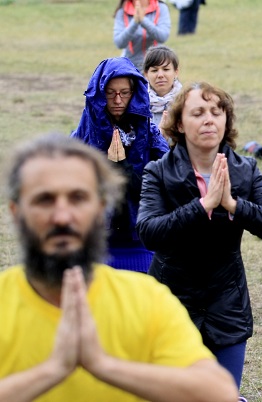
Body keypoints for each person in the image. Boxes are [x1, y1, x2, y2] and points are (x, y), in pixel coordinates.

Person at [0, 134, 239, 402]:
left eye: (78, 198)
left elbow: (219, 393)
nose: (62, 216)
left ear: (101, 208)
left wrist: (104, 365)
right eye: (44, 200)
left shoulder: (146, 298)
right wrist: (53, 370)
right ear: (16, 213)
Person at [136, 82, 262, 389]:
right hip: (171, 306)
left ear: (226, 120)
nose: (209, 119)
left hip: (227, 305)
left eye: (216, 112)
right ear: (180, 123)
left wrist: (233, 204)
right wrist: (203, 205)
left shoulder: (245, 169)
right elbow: (149, 233)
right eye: (198, 113)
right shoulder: (159, 171)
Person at [71, 57, 169, 273]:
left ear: (134, 94)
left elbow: (165, 187)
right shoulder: (84, 135)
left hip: (141, 243)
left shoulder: (148, 133)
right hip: (95, 244)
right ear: (99, 94)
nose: (117, 100)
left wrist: (124, 168)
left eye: (124, 93)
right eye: (110, 93)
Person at [113, 0, 171, 71]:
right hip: (131, 66)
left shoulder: (161, 7)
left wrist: (143, 20)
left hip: (155, 65)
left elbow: (163, 37)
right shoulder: (122, 11)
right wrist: (135, 22)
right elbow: (119, 43)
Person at [143, 44, 182, 130]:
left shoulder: (185, 101)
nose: (160, 75)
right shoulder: (138, 104)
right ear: (146, 74)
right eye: (154, 70)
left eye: (166, 69)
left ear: (176, 72)